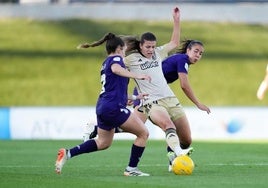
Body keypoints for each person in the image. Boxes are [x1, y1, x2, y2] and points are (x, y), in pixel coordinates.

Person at [55, 33, 152, 176]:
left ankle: (68, 153)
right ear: (119, 48)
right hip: (113, 107)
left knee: (103, 143)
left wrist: (134, 97)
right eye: (124, 48)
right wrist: (138, 75)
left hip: (103, 106)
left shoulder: (105, 63)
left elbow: (113, 88)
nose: (124, 51)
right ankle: (131, 169)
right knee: (143, 133)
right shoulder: (116, 59)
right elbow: (116, 70)